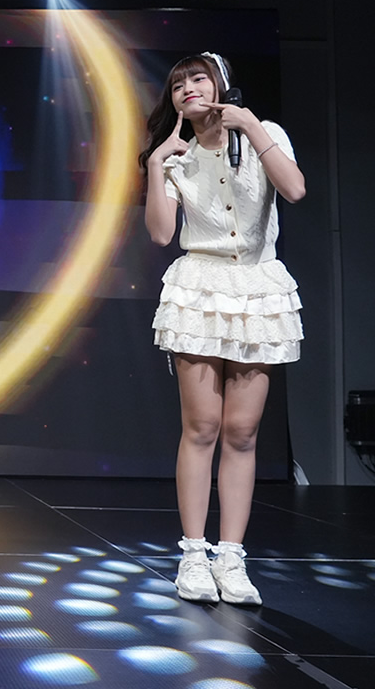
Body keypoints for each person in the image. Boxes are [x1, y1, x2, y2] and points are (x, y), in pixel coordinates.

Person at [141, 52, 305, 606]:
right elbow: (160, 234)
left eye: (198, 79)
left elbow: (295, 190)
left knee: (241, 431)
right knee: (203, 426)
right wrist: (156, 165)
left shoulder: (265, 133)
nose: (187, 89)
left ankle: (231, 558)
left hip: (258, 290)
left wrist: (251, 126)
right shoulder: (177, 159)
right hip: (201, 290)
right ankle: (193, 554)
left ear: (221, 86)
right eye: (178, 85)